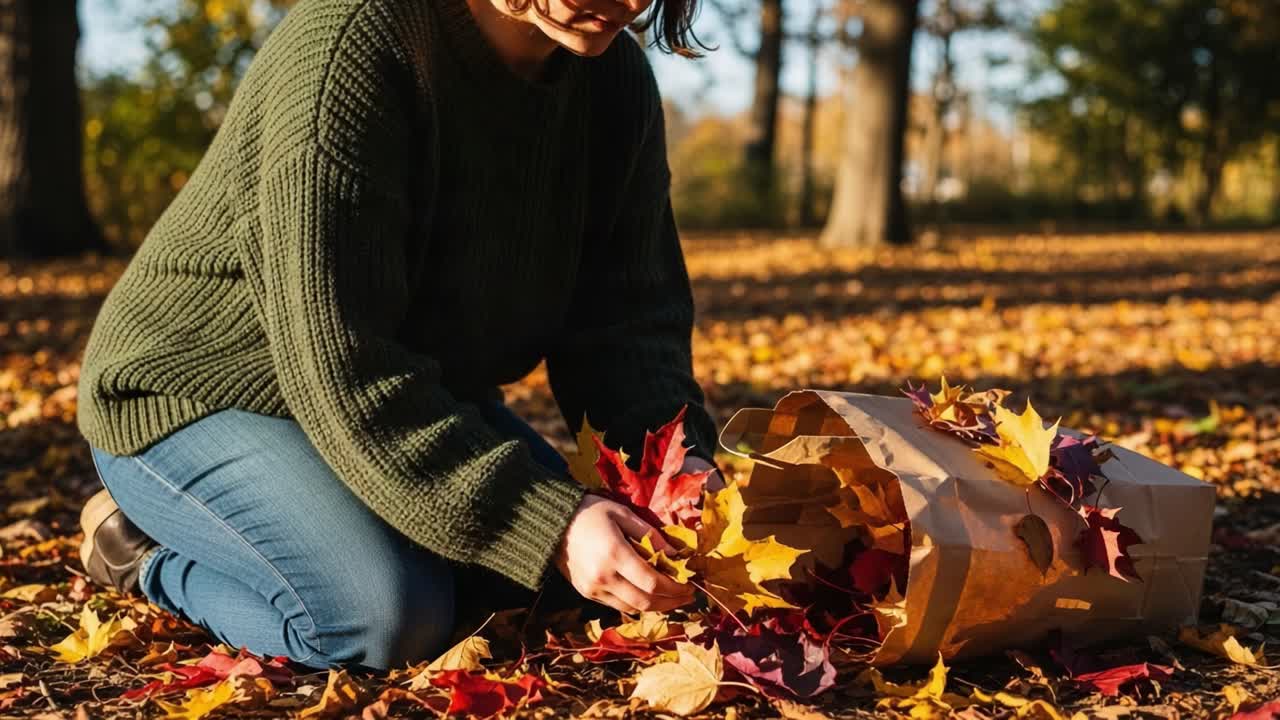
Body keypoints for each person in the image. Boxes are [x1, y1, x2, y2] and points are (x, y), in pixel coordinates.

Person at [74, 0, 722, 672]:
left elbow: (627, 324)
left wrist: (675, 469)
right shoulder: (351, 45)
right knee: (386, 618)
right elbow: (341, 363)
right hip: (198, 393)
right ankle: (144, 556)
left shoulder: (615, 82)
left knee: (589, 583)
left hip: (408, 396)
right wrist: (551, 523)